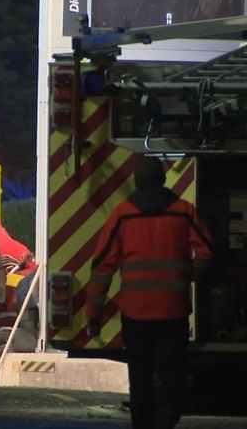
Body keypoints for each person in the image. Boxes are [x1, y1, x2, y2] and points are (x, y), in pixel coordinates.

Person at [85, 155, 212, 429]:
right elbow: (207, 251)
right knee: (172, 374)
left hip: (135, 314)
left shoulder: (122, 214)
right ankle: (169, 416)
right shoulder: (183, 211)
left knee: (140, 378)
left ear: (136, 181)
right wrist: (190, 274)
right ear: (164, 179)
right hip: (173, 311)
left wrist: (93, 316)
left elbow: (102, 267)